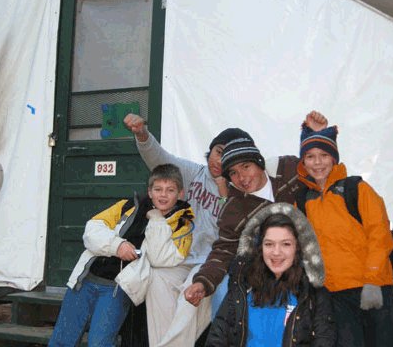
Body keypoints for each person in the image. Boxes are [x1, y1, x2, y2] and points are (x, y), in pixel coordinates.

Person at [122, 114, 249, 345]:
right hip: (182, 257)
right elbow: (159, 160)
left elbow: (230, 226)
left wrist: (223, 185)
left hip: (211, 263)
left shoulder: (241, 190)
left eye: (228, 157)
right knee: (157, 279)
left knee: (190, 293)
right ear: (210, 150)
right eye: (218, 151)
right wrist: (142, 134)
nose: (219, 160)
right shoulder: (194, 173)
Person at [181, 126, 326, 317]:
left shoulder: (288, 169)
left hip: (317, 253)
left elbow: (322, 172)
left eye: (246, 167)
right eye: (233, 173)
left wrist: (316, 136)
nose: (241, 178)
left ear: (259, 163)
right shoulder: (233, 210)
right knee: (223, 294)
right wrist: (202, 281)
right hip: (269, 269)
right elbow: (223, 250)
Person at [47, 164, 195, 347]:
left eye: (170, 190)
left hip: (117, 289)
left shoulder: (183, 225)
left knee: (99, 343)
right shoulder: (128, 205)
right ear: (149, 192)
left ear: (180, 193)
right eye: (158, 189)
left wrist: (157, 219)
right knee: (62, 340)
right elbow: (92, 230)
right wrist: (118, 246)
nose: (163, 195)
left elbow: (159, 259)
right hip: (85, 280)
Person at [296, 113, 393, 347]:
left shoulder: (356, 189)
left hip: (374, 287)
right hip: (335, 295)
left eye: (324, 155)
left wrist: (372, 281)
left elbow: (379, 234)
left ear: (334, 159)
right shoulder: (303, 201)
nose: (317, 162)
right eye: (310, 157)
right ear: (303, 162)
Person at [206, 203, 335, 346]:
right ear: (260, 247)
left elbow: (324, 341)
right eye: (269, 244)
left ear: (298, 247)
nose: (276, 252)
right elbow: (216, 338)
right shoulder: (242, 287)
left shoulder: (313, 295)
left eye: (286, 244)